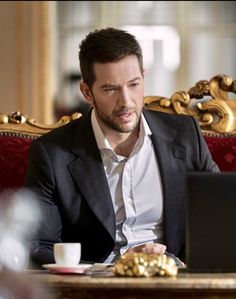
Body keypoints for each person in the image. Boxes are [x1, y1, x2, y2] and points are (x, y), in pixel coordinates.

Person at [24, 27, 219, 269]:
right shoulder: (52, 153)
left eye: (133, 84)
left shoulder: (185, 135)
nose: (126, 101)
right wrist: (112, 268)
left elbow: (220, 216)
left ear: (143, 77)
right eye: (110, 89)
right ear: (87, 92)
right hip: (97, 284)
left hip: (175, 279)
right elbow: (38, 245)